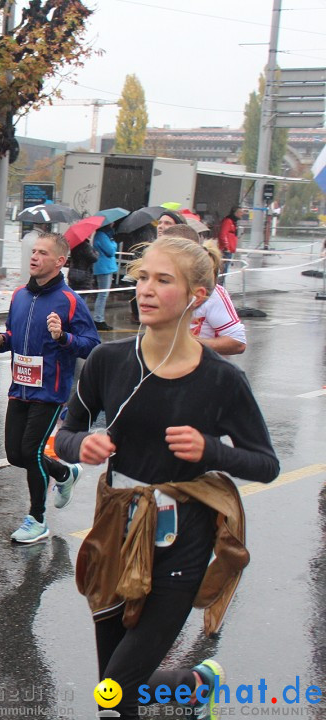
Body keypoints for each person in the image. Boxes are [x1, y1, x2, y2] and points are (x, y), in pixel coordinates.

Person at [55, 233, 279, 719]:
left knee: (112, 695)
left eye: (163, 280)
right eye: (141, 279)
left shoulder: (221, 379)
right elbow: (65, 432)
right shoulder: (108, 361)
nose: (146, 290)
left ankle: (185, 686)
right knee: (118, 683)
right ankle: (195, 685)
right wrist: (81, 445)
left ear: (196, 296)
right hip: (118, 534)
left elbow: (266, 463)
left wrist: (211, 450)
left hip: (186, 541)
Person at [0, 232, 99, 543]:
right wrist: (0, 341)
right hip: (19, 386)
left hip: (50, 390)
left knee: (32, 451)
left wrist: (64, 338)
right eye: (33, 251)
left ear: (60, 261)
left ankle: (37, 518)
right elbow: (13, 334)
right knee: (15, 455)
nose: (34, 257)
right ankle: (64, 473)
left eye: (43, 253)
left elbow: (93, 346)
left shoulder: (70, 301)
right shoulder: (20, 295)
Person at [160, 225, 248, 356]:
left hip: (196, 372)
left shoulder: (213, 294)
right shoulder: (154, 288)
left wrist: (189, 344)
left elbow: (238, 343)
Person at [92, 223, 118, 331]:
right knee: (103, 294)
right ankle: (98, 319)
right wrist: (113, 242)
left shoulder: (101, 235)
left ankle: (99, 318)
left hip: (104, 267)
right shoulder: (102, 235)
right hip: (104, 267)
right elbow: (111, 251)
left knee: (103, 294)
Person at [217, 207, 240, 285]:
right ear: (235, 213)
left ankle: (220, 285)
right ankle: (219, 285)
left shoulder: (233, 222)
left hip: (229, 249)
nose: (242, 214)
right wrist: (226, 246)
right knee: (223, 270)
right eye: (240, 212)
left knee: (225, 270)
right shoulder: (228, 221)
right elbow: (223, 234)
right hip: (226, 250)